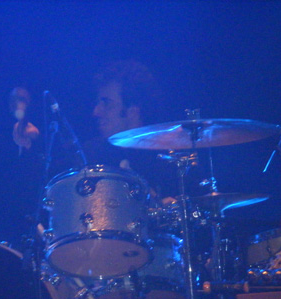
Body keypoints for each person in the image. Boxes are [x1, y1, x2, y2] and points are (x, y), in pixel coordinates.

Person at [12, 60, 176, 201]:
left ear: (132, 112)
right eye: (98, 103)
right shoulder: (91, 154)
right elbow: (44, 184)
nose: (96, 112)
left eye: (107, 103)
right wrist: (29, 146)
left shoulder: (168, 159)